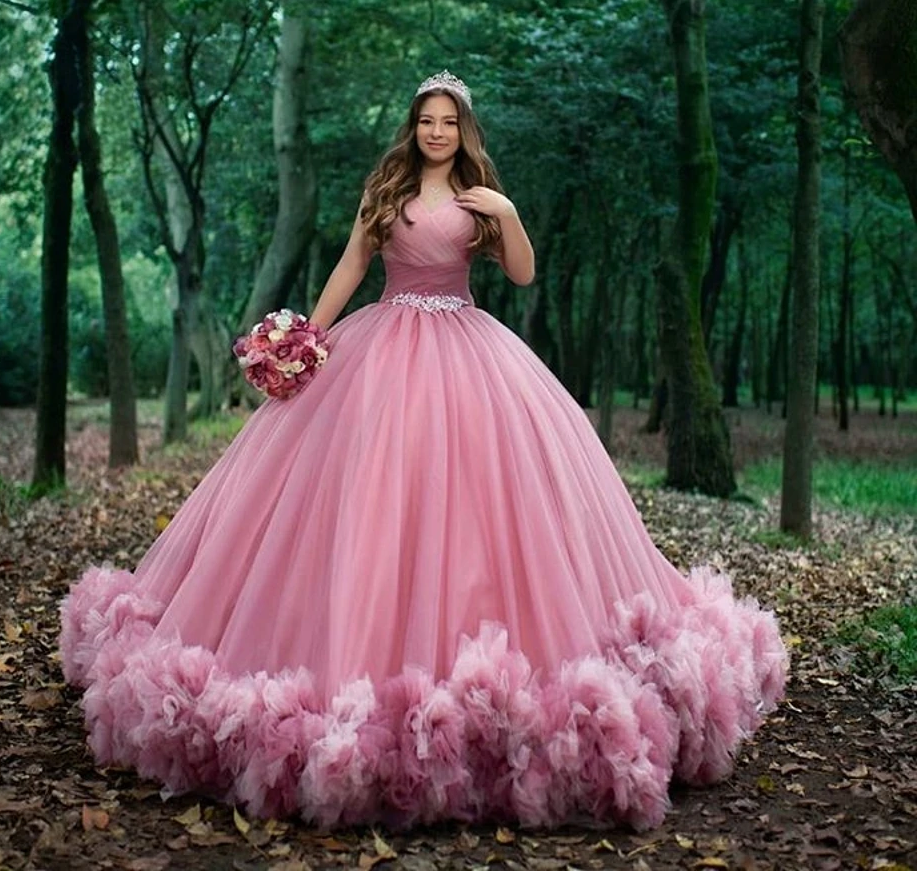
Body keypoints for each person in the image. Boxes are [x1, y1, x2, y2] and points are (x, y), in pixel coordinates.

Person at [60, 71, 786, 830]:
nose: (436, 132)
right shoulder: (388, 189)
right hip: (382, 349)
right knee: (365, 496)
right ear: (413, 127)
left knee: (483, 506)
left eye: (448, 122)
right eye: (426, 121)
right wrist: (306, 336)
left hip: (470, 353)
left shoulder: (480, 199)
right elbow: (349, 265)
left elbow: (522, 273)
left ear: (463, 130)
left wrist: (505, 214)